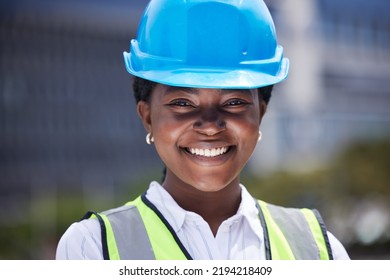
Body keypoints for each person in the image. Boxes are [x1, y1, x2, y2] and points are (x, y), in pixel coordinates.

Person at [56, 0, 350, 260]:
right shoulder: (93, 247)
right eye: (183, 103)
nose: (210, 125)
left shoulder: (320, 250)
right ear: (147, 117)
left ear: (260, 114)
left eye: (234, 102)